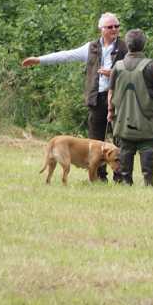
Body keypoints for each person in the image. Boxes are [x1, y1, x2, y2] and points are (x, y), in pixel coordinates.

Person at [21, 12, 127, 181]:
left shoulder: (125, 48)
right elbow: (66, 55)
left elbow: (133, 70)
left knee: (120, 138)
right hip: (96, 98)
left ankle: (120, 176)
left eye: (117, 26)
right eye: (110, 26)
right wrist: (39, 60)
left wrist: (114, 73)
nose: (114, 29)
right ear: (101, 29)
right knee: (95, 139)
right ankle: (100, 177)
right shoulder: (91, 47)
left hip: (118, 98)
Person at [107, 29, 153, 186]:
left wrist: (110, 110)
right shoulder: (150, 65)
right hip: (146, 117)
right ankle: (148, 181)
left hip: (123, 117)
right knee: (147, 147)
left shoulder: (118, 66)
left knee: (125, 148)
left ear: (127, 45)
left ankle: (126, 181)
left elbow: (111, 92)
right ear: (144, 45)